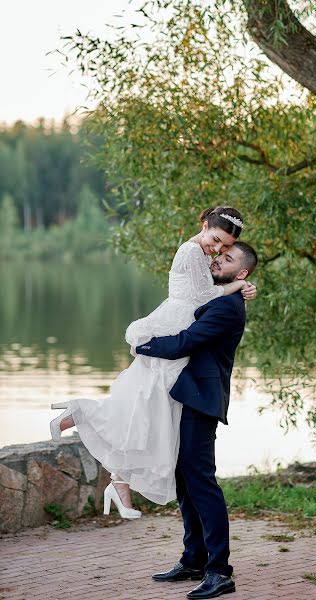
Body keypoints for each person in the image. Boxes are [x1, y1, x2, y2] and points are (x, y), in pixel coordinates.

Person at [50, 207, 256, 518]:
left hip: (179, 325)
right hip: (173, 325)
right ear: (204, 225)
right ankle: (84, 416)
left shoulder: (201, 253)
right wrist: (239, 285)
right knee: (148, 401)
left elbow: (206, 293)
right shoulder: (190, 250)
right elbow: (204, 295)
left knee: (148, 403)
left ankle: (117, 479)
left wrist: (238, 284)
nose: (217, 249)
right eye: (216, 241)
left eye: (225, 248)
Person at [135, 240, 258, 599]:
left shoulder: (227, 309)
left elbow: (185, 342)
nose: (219, 259)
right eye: (219, 254)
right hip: (188, 396)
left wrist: (142, 344)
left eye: (228, 257)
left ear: (243, 272)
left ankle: (219, 571)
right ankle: (193, 558)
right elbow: (195, 294)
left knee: (201, 481)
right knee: (185, 479)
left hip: (202, 401)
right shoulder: (219, 296)